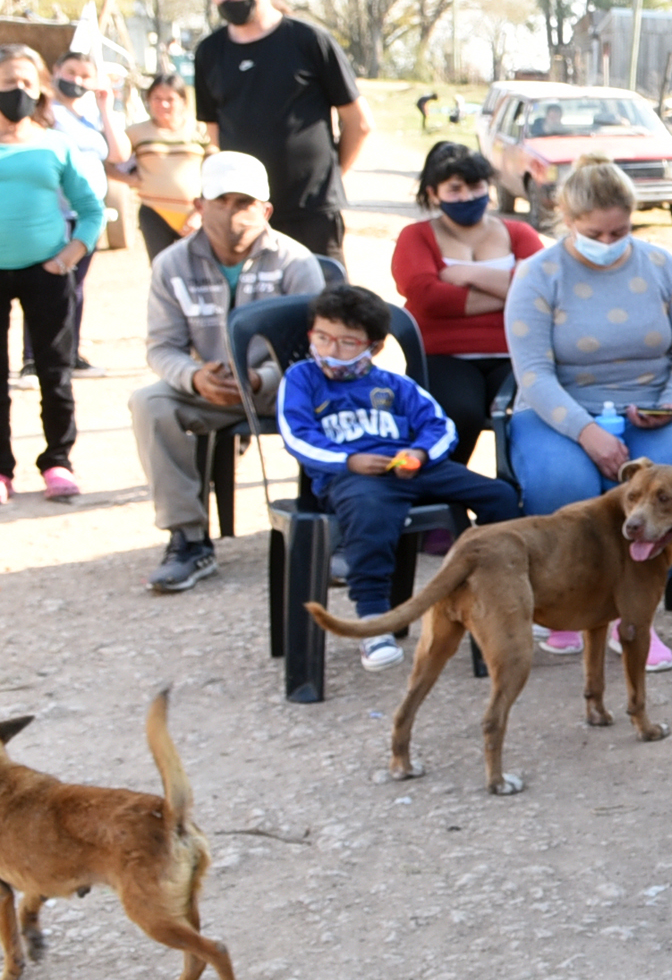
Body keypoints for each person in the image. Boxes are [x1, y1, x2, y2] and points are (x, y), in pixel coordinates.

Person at [506, 152, 672, 669]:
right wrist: (585, 430)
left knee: (671, 492)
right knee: (562, 486)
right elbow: (532, 373)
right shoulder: (538, 274)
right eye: (596, 233)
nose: (610, 244)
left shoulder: (661, 265)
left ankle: (633, 616)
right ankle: (567, 603)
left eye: (621, 232)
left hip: (648, 409)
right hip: (559, 411)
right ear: (567, 221)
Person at [276, 283, 521, 671]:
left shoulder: (395, 385)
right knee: (371, 517)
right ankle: (375, 623)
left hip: (416, 468)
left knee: (501, 497)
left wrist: (420, 454)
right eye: (322, 338)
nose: (330, 350)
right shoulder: (302, 379)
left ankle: (493, 592)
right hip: (353, 478)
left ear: (373, 347)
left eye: (346, 342)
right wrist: (349, 460)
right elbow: (296, 436)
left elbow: (440, 426)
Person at [130, 151, 326, 590]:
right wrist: (194, 377)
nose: (233, 212)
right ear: (199, 205)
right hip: (211, 387)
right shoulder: (171, 265)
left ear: (266, 210)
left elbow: (319, 351)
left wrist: (263, 379)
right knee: (149, 402)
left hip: (288, 390)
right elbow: (162, 346)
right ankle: (189, 539)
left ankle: (336, 530)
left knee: (340, 396)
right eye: (222, 200)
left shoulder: (296, 263)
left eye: (245, 202)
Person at [193, 0, 371, 265]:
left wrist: (331, 175)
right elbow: (213, 130)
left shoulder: (309, 41)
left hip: (311, 210)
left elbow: (358, 122)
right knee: (255, 309)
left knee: (325, 306)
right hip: (247, 211)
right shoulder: (209, 52)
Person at [390, 141, 543, 466]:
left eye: (475, 187)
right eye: (454, 189)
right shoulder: (415, 236)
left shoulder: (520, 233)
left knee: (530, 420)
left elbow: (542, 290)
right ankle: (446, 501)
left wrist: (463, 273)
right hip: (443, 356)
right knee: (457, 415)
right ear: (434, 193)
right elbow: (427, 298)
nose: (466, 197)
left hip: (515, 354)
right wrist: (508, 290)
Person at [0, 44, 104, 503]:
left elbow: (90, 208)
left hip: (47, 273)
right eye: (8, 83)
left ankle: (57, 462)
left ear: (40, 87)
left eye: (25, 82)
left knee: (53, 372)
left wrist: (69, 256)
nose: (17, 91)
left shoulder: (55, 144)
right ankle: (1, 471)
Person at [43, 50, 129, 376]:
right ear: (56, 71)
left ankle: (70, 353)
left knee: (76, 286)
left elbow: (119, 154)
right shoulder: (46, 113)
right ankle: (33, 359)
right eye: (70, 73)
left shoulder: (94, 116)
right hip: (56, 213)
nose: (76, 81)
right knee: (49, 284)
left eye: (84, 76)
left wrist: (106, 108)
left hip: (89, 217)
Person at [126, 72, 213, 261]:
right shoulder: (135, 133)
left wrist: (201, 212)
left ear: (182, 101)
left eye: (170, 99)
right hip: (154, 211)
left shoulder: (200, 130)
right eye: (157, 98)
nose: (163, 104)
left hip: (195, 213)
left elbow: (214, 170)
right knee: (162, 268)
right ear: (148, 99)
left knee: (201, 268)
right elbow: (110, 160)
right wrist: (129, 179)